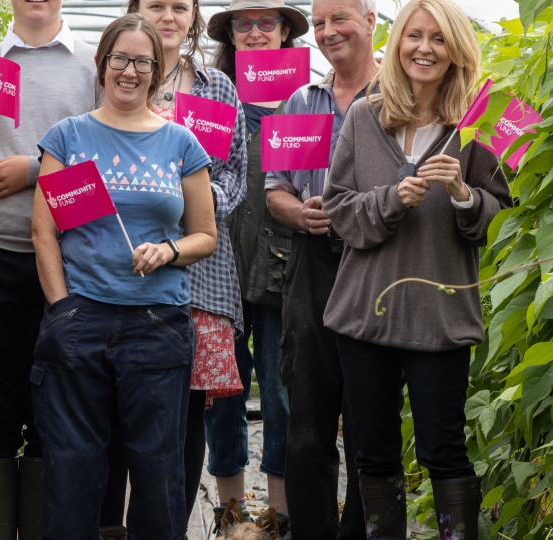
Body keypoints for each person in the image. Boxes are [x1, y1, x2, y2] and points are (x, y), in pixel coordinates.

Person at [322, 0, 512, 537]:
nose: (424, 48)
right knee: (374, 455)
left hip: (439, 318)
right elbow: (338, 210)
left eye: (438, 39)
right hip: (364, 318)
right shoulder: (365, 114)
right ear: (398, 42)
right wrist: (390, 200)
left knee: (445, 451)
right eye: (414, 36)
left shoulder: (480, 122)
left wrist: (462, 193)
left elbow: (497, 222)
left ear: (456, 50)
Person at [31, 14, 217, 539]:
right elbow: (44, 232)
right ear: (101, 63)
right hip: (81, 318)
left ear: (157, 72)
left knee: (157, 471)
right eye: (121, 59)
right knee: (72, 467)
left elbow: (205, 234)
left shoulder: (181, 143)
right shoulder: (67, 137)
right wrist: (62, 308)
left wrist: (168, 250)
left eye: (142, 62)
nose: (129, 71)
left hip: (158, 325)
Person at [97, 0, 248, 534]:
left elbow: (233, 177)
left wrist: (185, 213)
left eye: (178, 6)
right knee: (116, 412)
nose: (167, 15)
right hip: (118, 270)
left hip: (201, 277)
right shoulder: (114, 78)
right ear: (135, 12)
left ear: (193, 17)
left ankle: (170, 527)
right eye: (154, 4)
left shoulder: (216, 88)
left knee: (184, 416)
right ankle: (111, 526)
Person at [0, 0, 96, 537]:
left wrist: (34, 169)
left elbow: (102, 154)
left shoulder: (89, 65)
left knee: (50, 409)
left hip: (65, 259)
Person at [264, 0, 382, 537]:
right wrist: (300, 212)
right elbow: (275, 193)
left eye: (340, 19)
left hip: (377, 264)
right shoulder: (299, 101)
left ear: (371, 20)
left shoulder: (397, 98)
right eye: (318, 24)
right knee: (306, 412)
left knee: (368, 414)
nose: (328, 32)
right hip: (311, 263)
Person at [204, 0, 309, 526]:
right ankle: (231, 510)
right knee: (224, 391)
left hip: (282, 267)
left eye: (268, 22)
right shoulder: (211, 93)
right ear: (230, 34)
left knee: (281, 389)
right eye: (243, 24)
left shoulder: (306, 98)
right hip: (219, 268)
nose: (255, 32)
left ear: (286, 30)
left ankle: (280, 513)